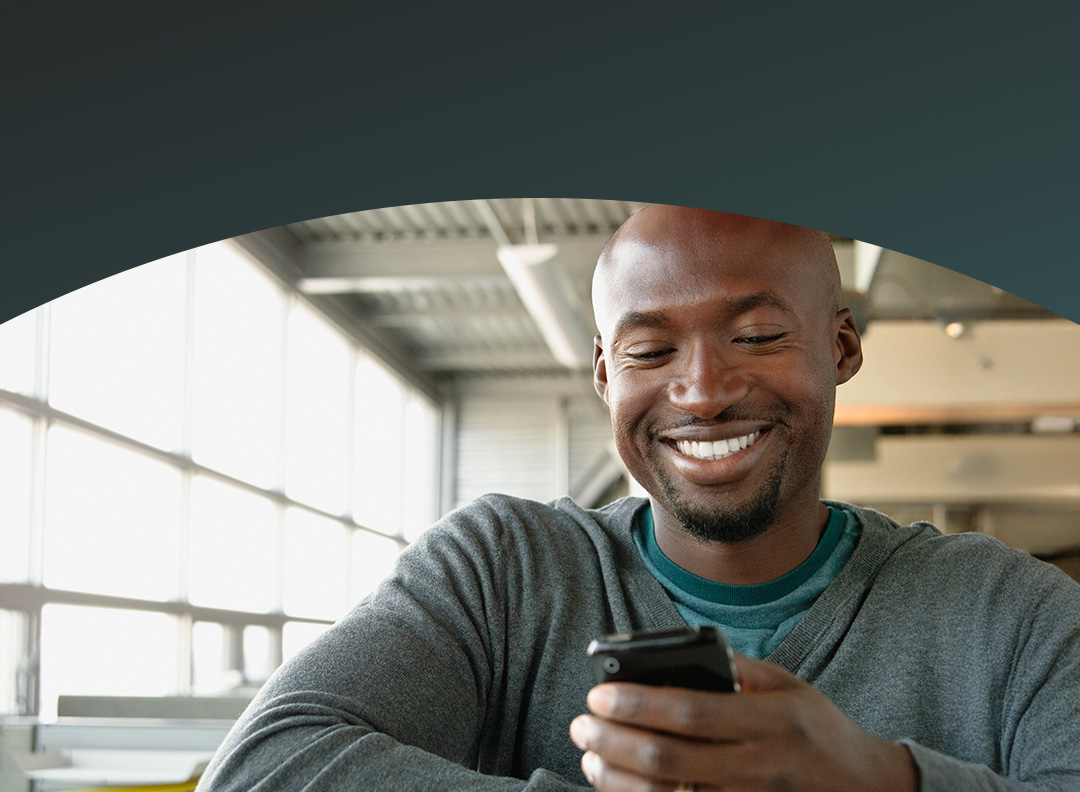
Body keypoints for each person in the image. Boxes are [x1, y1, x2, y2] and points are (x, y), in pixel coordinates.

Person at [197, 206, 1080, 792]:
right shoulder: (500, 572)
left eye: (758, 335)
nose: (701, 392)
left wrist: (885, 778)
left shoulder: (1017, 614)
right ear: (603, 373)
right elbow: (264, 769)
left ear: (841, 347)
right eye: (650, 352)